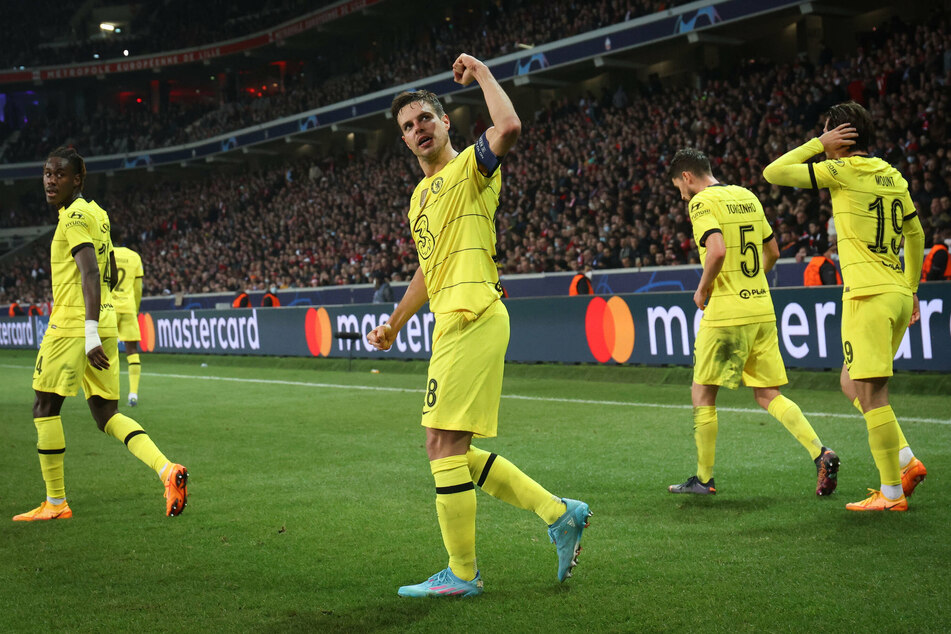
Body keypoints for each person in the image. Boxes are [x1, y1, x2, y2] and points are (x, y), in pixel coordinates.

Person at [367, 55, 590, 598]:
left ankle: (463, 575)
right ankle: (559, 513)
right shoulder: (419, 198)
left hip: (474, 314)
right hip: (450, 322)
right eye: (408, 127)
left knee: (443, 444)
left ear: (446, 123)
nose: (418, 130)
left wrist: (485, 74)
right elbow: (429, 266)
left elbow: (509, 126)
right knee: (446, 448)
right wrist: (396, 322)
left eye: (425, 119)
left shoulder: (471, 167)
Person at [763, 101, 927, 511]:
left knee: (873, 395)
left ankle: (891, 494)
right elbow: (917, 233)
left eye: (828, 132)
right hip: (895, 295)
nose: (824, 139)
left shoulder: (843, 171)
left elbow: (774, 171)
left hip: (867, 297)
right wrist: (911, 288)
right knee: (850, 383)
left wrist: (817, 144)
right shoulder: (893, 175)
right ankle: (906, 460)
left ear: (840, 136)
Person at [14, 147, 188, 522]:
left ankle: (56, 504)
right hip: (103, 319)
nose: (50, 180)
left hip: (75, 325)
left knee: (44, 406)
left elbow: (91, 272)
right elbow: (107, 268)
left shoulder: (73, 216)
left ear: (77, 179)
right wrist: (100, 325)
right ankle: (166, 470)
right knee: (107, 413)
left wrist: (89, 331)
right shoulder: (98, 213)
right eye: (46, 173)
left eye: (59, 174)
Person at [667, 148, 839, 497]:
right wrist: (750, 283)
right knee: (768, 394)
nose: (681, 195)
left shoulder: (701, 203)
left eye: (679, 187)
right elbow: (773, 252)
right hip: (762, 309)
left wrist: (703, 290)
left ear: (687, 177)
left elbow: (716, 251)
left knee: (703, 392)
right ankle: (820, 452)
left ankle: (703, 479)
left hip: (726, 314)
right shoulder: (747, 196)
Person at [109, 235, 145, 406]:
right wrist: (135, 309)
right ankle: (133, 394)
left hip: (109, 308)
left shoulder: (106, 253)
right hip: (129, 307)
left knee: (105, 351)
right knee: (132, 351)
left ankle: (107, 393)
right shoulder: (135, 257)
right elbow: (138, 289)